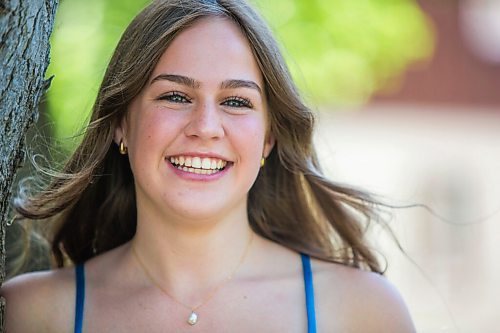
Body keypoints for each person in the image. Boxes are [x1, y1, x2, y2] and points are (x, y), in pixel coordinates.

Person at [1, 0, 416, 332]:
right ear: (121, 123)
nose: (205, 127)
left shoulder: (363, 313)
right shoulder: (32, 315)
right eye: (175, 96)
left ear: (268, 137)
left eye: (236, 102)